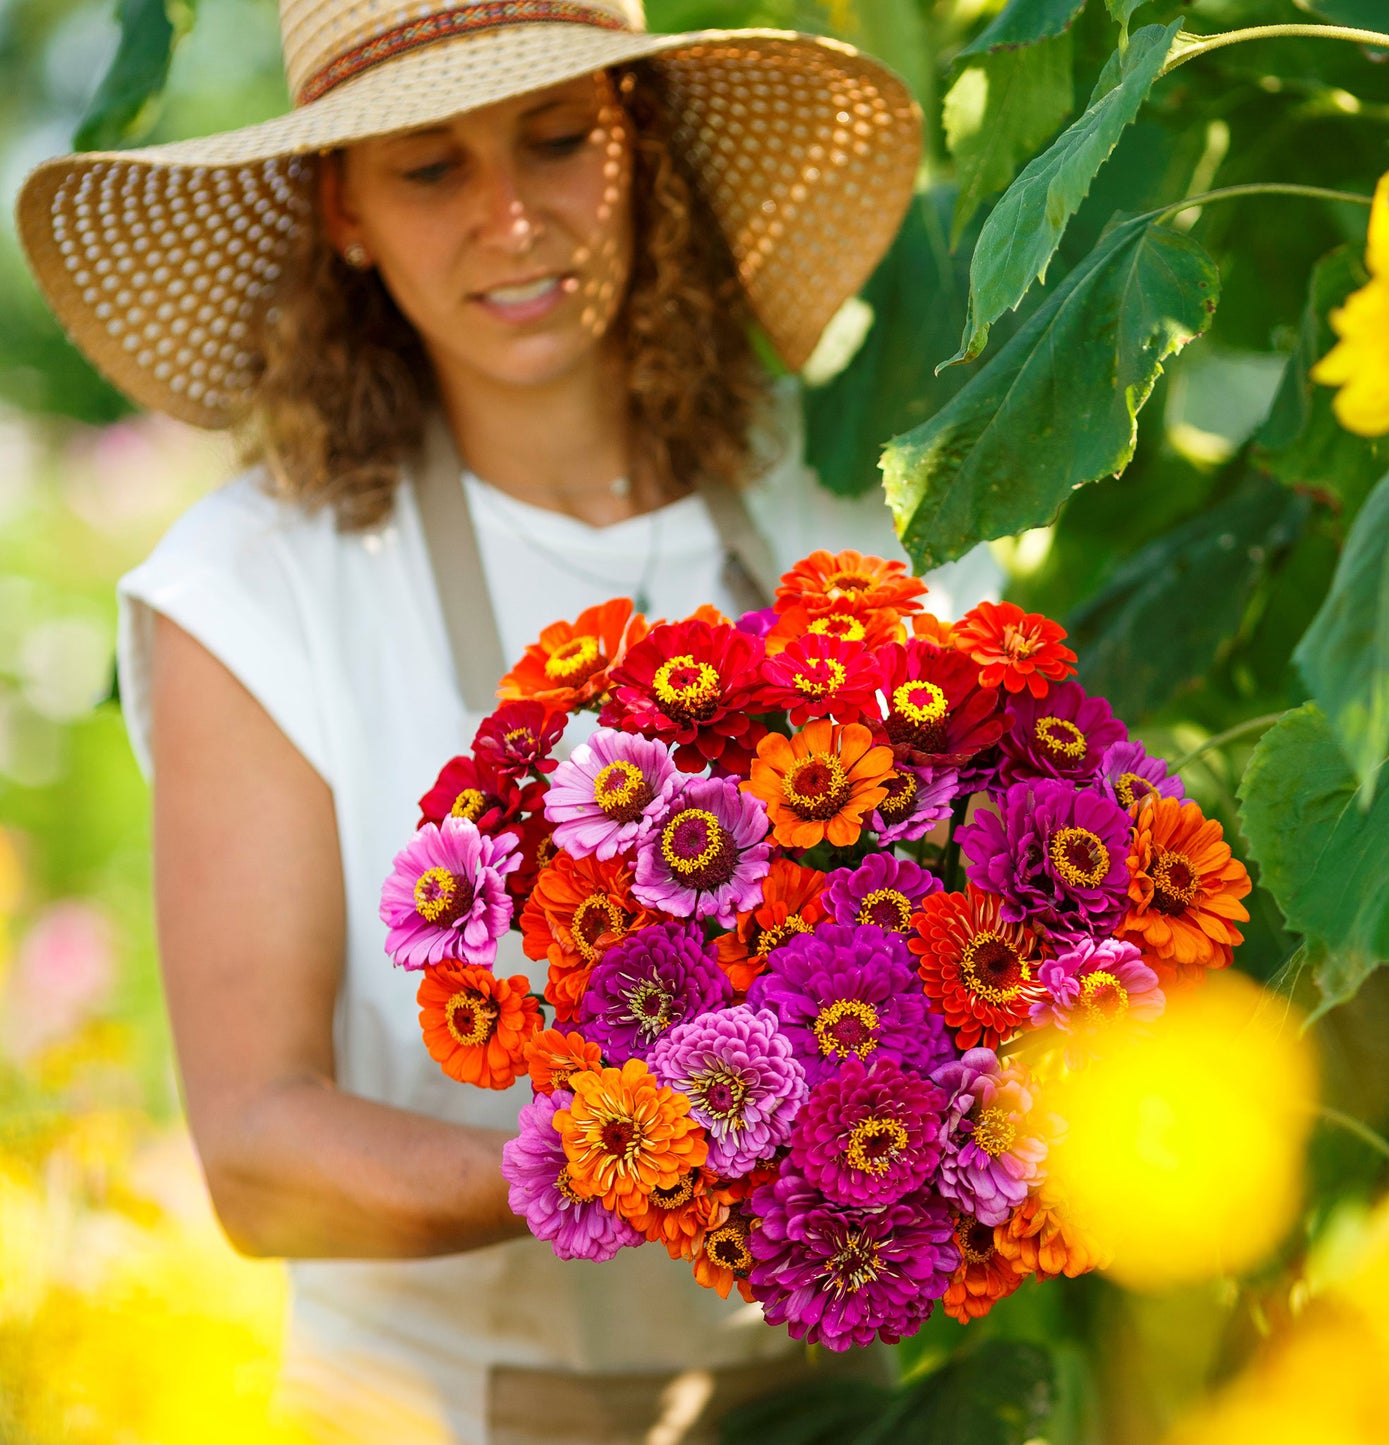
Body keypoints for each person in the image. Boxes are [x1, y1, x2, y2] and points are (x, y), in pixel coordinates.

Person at [18, 3, 1000, 1440]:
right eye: (430, 169)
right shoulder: (258, 592)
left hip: (845, 1407)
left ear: (641, 149)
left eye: (556, 141)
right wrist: (636, 1153)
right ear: (341, 208)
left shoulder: (854, 506)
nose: (510, 216)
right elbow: (256, 1154)